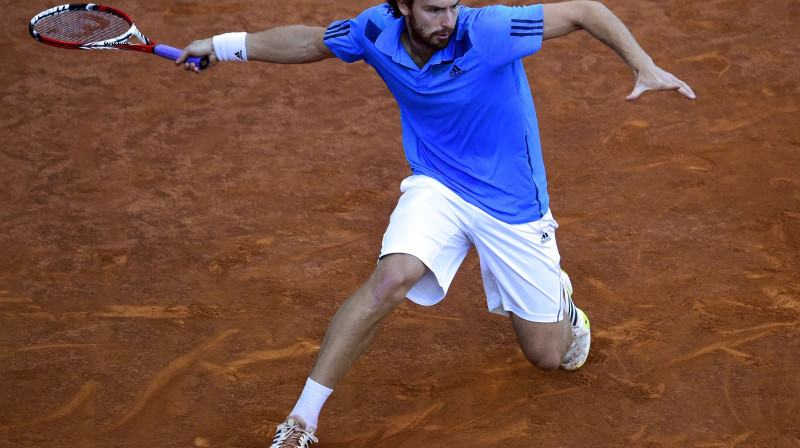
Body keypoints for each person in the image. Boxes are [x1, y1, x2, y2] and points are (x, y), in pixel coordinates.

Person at [177, 0, 694, 446]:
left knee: (548, 357)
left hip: (511, 206)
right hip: (438, 185)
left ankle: (563, 303)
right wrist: (221, 46)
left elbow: (585, 11)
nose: (448, 19)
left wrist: (642, 64)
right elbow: (312, 42)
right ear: (402, 6)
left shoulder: (486, 31)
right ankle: (301, 420)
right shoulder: (374, 30)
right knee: (389, 278)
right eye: (432, 9)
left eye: (451, 5)